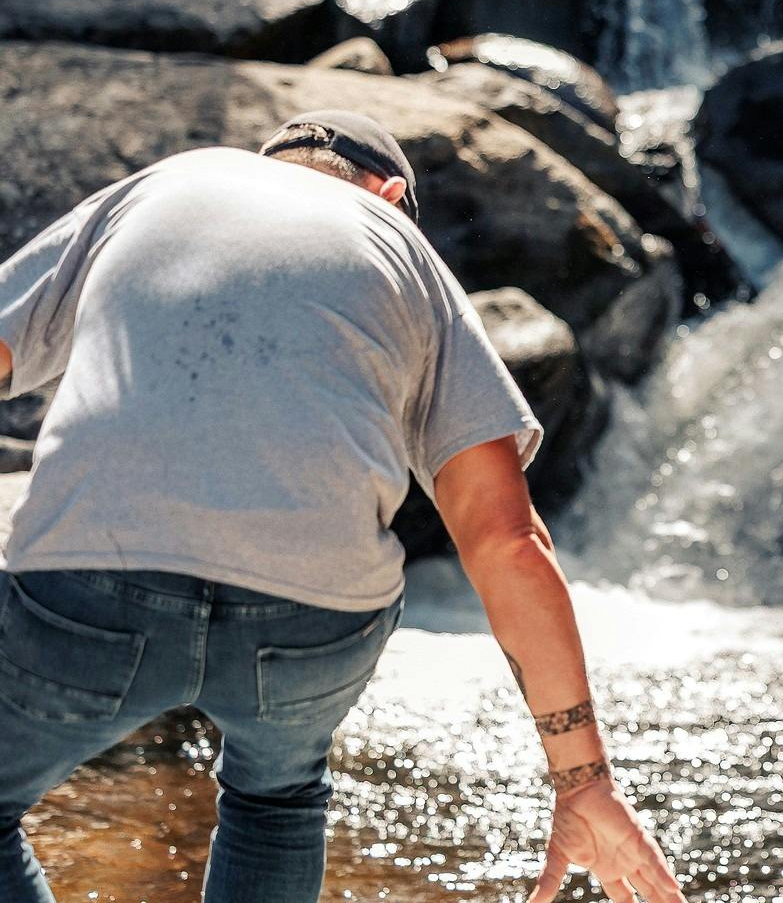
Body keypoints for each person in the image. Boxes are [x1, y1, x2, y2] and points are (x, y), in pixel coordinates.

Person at [0, 111, 684, 903]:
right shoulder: (405, 255)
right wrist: (582, 783)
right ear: (390, 194)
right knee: (276, 799)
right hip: (312, 618)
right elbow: (506, 540)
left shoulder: (167, 184)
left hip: (92, 575)